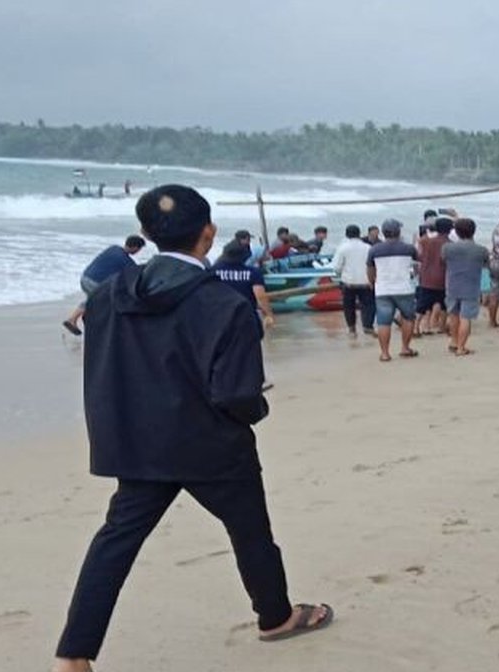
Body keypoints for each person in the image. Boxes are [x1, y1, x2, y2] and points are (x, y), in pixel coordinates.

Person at [51, 185, 332, 672]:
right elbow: (237, 394)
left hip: (138, 442)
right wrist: (254, 411)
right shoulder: (226, 306)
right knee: (250, 532)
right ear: (209, 233)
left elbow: (104, 368)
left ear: (146, 234)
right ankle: (275, 617)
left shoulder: (111, 294)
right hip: (211, 444)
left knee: (115, 542)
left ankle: (73, 655)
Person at [62, 235, 146, 336]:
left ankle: (87, 324)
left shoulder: (113, 248)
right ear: (135, 248)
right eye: (139, 249)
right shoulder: (126, 261)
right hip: (94, 283)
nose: (138, 251)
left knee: (93, 301)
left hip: (85, 277)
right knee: (107, 303)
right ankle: (75, 320)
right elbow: (135, 275)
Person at [368, 219, 420, 362]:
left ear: (383, 233)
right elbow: (417, 264)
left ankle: (385, 353)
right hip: (404, 288)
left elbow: (370, 269)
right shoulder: (408, 248)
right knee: (408, 318)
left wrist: (372, 283)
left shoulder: (374, 249)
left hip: (383, 289)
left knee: (384, 322)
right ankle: (405, 348)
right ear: (398, 232)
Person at [440, 218, 491, 356]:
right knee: (466, 317)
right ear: (473, 232)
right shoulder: (481, 250)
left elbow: (443, 260)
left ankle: (454, 341)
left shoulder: (447, 248)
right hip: (471, 286)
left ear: (456, 232)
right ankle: (461, 347)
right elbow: (486, 266)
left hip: (452, 285)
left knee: (454, 315)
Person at [211, 240, 276, 333]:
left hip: (220, 318)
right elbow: (260, 296)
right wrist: (269, 314)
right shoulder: (253, 272)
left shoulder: (212, 271)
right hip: (246, 317)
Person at [332, 224, 375, 337]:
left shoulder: (343, 248)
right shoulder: (368, 247)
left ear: (346, 235)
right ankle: (368, 326)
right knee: (368, 305)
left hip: (348, 282)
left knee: (349, 306)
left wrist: (340, 274)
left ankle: (352, 330)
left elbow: (336, 267)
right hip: (366, 282)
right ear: (359, 234)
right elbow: (373, 265)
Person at [415, 217, 453, 336]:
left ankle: (416, 327)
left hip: (426, 277)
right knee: (444, 305)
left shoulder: (425, 241)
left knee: (421, 306)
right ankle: (442, 326)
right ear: (450, 230)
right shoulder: (450, 245)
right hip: (443, 278)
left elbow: (419, 257)